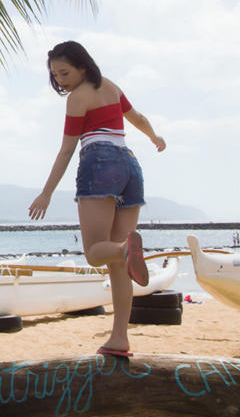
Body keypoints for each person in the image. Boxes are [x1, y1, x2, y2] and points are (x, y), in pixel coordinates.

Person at [28, 41, 165, 357]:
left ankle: (125, 250)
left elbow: (67, 150)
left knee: (94, 253)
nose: (60, 80)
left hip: (100, 162)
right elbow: (138, 117)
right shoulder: (113, 87)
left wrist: (46, 193)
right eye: (55, 75)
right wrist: (154, 137)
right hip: (130, 165)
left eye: (65, 72)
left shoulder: (78, 98)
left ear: (82, 66)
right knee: (119, 266)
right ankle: (120, 338)